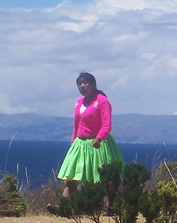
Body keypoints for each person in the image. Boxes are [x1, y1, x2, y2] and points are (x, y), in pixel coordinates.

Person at [49, 72, 125, 211]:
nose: (82, 86)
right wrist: (74, 141)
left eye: (85, 83)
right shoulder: (78, 103)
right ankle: (64, 207)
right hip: (81, 143)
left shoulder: (102, 101)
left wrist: (99, 138)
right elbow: (76, 124)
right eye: (79, 84)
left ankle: (112, 207)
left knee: (103, 178)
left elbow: (107, 124)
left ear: (94, 84)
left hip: (99, 144)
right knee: (72, 176)